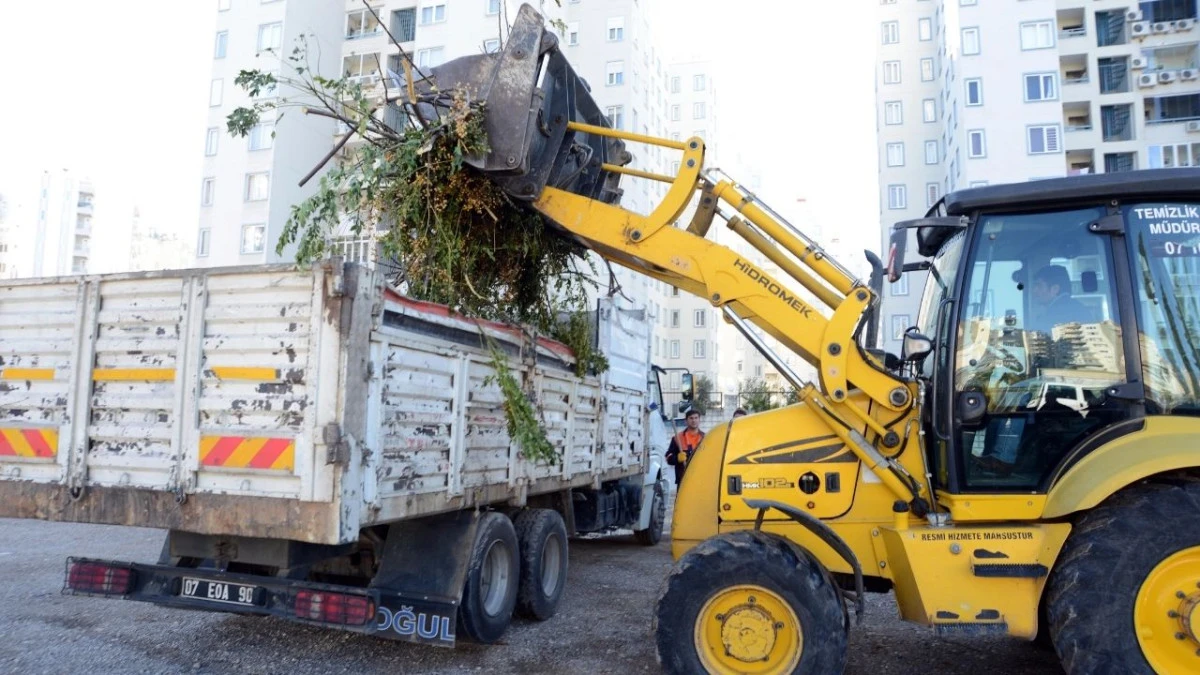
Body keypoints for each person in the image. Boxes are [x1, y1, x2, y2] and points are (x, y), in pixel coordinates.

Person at [1027, 264, 1094, 333]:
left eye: (1039, 286)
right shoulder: (1078, 307)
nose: (1034, 290)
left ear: (1055, 289)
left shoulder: (1055, 314)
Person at [665, 409, 704, 486]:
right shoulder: (678, 438)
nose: (694, 420)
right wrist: (677, 458)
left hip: (701, 479)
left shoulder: (705, 438)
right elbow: (668, 457)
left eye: (696, 418)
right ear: (686, 421)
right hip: (683, 479)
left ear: (699, 420)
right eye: (691, 418)